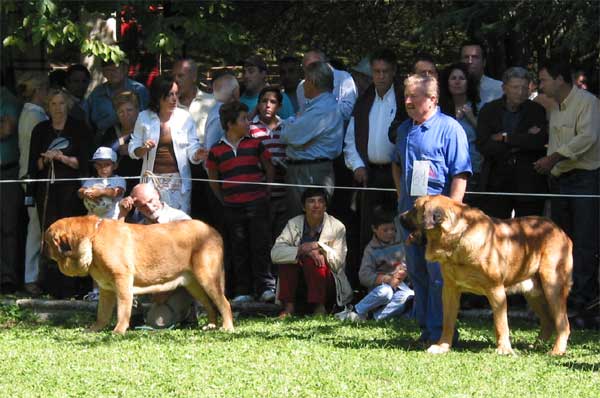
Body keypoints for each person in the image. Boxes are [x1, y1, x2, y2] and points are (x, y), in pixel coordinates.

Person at [391, 74, 471, 343]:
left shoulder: (450, 129)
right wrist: (402, 198)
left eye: (415, 96)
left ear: (433, 99)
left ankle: (444, 333)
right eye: (406, 96)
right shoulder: (404, 130)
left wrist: (455, 214)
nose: (408, 101)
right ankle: (426, 330)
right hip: (411, 218)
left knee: (441, 277)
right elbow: (396, 164)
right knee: (417, 273)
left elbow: (461, 173)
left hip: (438, 222)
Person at [534, 62, 599, 324]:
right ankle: (564, 297)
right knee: (563, 243)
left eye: (544, 80)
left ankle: (584, 300)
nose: (541, 85)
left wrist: (553, 159)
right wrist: (551, 164)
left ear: (560, 79)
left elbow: (587, 138)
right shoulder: (555, 106)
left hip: (586, 180)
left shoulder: (588, 102)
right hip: (561, 182)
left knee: (584, 242)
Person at [206, 101, 276, 304]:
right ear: (230, 124)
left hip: (257, 203)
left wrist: (267, 191)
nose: (249, 122)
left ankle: (265, 287)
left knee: (260, 245)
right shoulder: (217, 150)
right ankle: (243, 289)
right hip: (232, 207)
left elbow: (269, 167)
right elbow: (213, 179)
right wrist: (225, 199)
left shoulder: (255, 144)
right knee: (238, 247)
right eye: (244, 119)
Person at [28, 88, 92, 299]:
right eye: (53, 104)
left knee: (71, 236)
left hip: (70, 191)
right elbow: (34, 164)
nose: (57, 108)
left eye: (61, 104)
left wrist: (62, 158)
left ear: (68, 105)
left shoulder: (79, 128)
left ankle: (74, 285)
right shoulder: (40, 129)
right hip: (46, 190)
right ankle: (51, 285)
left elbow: (83, 162)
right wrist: (46, 159)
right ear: (48, 107)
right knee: (51, 236)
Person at [344, 48, 407, 255]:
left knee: (399, 225)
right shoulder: (363, 101)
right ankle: (370, 279)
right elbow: (351, 139)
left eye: (385, 71)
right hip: (370, 174)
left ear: (393, 71)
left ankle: (401, 279)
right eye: (376, 71)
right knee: (371, 226)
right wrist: (358, 165)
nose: (380, 76)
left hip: (397, 173)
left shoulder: (403, 100)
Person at [118, 183, 196, 328]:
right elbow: (116, 247)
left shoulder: (180, 219)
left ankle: (188, 313)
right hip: (150, 283)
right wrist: (122, 214)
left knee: (157, 323)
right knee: (120, 281)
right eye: (141, 206)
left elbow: (188, 262)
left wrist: (166, 289)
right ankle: (135, 319)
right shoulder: (139, 226)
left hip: (179, 284)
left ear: (158, 195)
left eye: (150, 201)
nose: (148, 207)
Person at [477, 66, 548, 219]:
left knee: (529, 234)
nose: (520, 92)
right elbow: (483, 145)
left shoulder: (537, 111)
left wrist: (505, 137)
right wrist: (522, 140)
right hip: (496, 183)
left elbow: (538, 142)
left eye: (524, 87)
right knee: (496, 232)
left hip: (528, 183)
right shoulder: (489, 111)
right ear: (504, 88)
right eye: (515, 87)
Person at [271, 188, 353, 317]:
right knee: (289, 261)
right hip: (299, 281)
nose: (316, 205)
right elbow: (275, 253)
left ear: (325, 207)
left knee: (314, 260)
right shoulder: (293, 223)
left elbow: (338, 263)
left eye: (320, 202)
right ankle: (289, 308)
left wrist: (318, 247)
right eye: (311, 201)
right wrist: (302, 250)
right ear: (304, 207)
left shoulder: (337, 226)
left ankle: (319, 307)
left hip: (328, 284)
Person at [128, 75, 204, 215]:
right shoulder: (144, 117)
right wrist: (144, 148)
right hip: (151, 179)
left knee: (178, 223)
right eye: (170, 95)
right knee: (151, 220)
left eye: (176, 94)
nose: (175, 99)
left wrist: (198, 153)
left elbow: (192, 146)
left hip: (178, 181)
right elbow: (133, 149)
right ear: (158, 96)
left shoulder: (184, 117)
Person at [278, 61, 344, 217]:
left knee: (309, 223)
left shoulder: (322, 109)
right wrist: (295, 130)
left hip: (311, 173)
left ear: (313, 82)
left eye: (305, 79)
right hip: (305, 170)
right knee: (300, 223)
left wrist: (291, 129)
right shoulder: (313, 106)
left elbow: (288, 136)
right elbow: (292, 132)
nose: (303, 84)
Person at [337, 206, 414, 321]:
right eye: (385, 230)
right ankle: (356, 310)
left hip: (402, 286)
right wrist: (387, 279)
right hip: (381, 287)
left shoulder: (401, 243)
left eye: (392, 229)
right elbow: (364, 275)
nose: (390, 233)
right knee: (385, 292)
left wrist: (404, 272)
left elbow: (410, 262)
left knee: (407, 296)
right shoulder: (371, 249)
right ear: (374, 229)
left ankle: (374, 317)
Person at [16, 72, 48, 296]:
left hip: (27, 174)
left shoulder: (28, 113)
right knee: (35, 228)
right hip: (32, 176)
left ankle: (36, 275)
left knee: (36, 227)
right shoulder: (35, 115)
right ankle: (31, 276)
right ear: (39, 92)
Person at [248, 86, 288, 239]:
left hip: (283, 192)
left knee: (281, 237)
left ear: (280, 106)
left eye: (273, 102)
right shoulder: (251, 128)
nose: (268, 105)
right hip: (260, 193)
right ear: (258, 104)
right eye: (264, 101)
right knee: (262, 238)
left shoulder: (286, 127)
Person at [439, 62, 482, 197]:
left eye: (461, 78)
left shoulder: (479, 107)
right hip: (445, 170)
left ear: (468, 83)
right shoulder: (439, 109)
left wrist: (471, 118)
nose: (457, 82)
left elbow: (486, 136)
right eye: (453, 78)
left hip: (473, 169)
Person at [87, 59, 149, 141]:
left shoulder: (138, 89)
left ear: (124, 69)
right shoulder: (97, 93)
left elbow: (146, 116)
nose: (112, 73)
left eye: (116, 69)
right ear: (103, 73)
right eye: (108, 70)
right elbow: (90, 120)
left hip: (137, 137)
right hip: (106, 138)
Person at [0, 82, 22, 294]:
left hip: (6, 171)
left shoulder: (7, 99)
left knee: (8, 227)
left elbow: (6, 130)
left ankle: (7, 277)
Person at [99, 91, 142, 194]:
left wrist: (133, 150)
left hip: (139, 183)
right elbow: (102, 155)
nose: (125, 115)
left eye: (129, 110)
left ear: (138, 110)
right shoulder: (111, 132)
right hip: (114, 186)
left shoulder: (144, 131)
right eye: (121, 111)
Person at [296, 50, 358, 121]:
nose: (311, 72)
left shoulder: (343, 77)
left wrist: (322, 110)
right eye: (307, 69)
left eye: (315, 67)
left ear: (325, 64)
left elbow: (350, 111)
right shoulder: (301, 87)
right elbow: (302, 114)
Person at [172, 58, 216, 144]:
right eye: (173, 77)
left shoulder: (212, 103)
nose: (176, 80)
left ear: (194, 77)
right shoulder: (169, 106)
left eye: (180, 76)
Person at [239, 55, 294, 119]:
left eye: (251, 71)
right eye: (243, 72)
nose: (246, 76)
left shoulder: (279, 98)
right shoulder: (237, 99)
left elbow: (291, 127)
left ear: (263, 74)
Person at [78, 146, 126, 220]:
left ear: (115, 166)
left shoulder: (119, 179)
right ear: (95, 166)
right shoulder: (91, 180)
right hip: (93, 220)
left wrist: (101, 192)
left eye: (107, 164)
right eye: (99, 165)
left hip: (112, 220)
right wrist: (85, 192)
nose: (103, 168)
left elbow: (117, 192)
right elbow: (80, 192)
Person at [459, 41, 503, 109]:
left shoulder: (500, 89)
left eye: (475, 57)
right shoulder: (452, 88)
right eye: (466, 57)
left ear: (484, 62)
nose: (470, 61)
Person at [204, 72, 240, 151]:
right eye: (238, 89)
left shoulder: (215, 111)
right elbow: (211, 150)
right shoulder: (219, 117)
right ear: (234, 92)